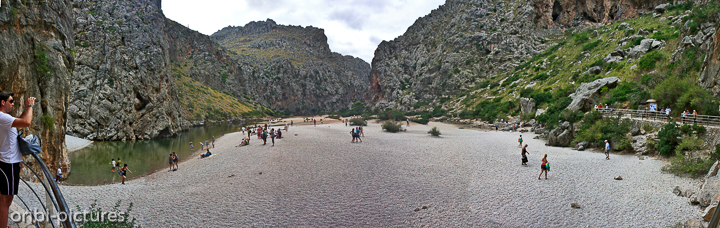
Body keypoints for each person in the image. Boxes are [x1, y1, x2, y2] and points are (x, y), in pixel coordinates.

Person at [0, 92, 35, 226]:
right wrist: (31, 106)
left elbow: (17, 123)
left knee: (4, 199)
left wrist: (26, 109)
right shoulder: (2, 117)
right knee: (6, 201)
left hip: (7, 161)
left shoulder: (4, 118)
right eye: (11, 101)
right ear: (2, 102)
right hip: (9, 163)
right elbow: (26, 122)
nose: (13, 103)